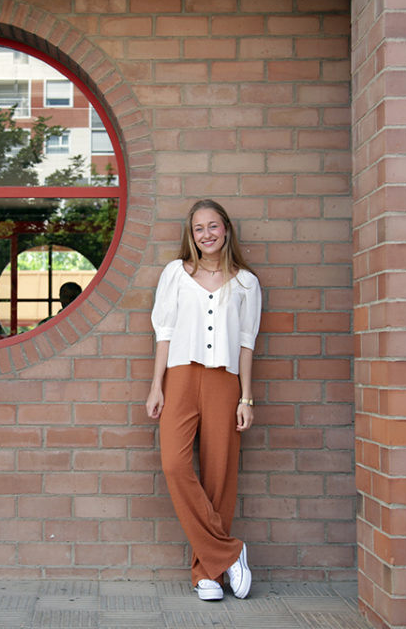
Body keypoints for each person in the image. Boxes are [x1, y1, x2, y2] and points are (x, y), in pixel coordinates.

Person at [146, 199, 262, 601]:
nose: (206, 234)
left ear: (226, 229)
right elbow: (164, 331)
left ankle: (206, 574)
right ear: (190, 234)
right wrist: (156, 385)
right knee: (175, 465)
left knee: (219, 477)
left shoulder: (246, 282)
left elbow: (247, 344)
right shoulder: (175, 274)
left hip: (224, 383)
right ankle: (231, 552)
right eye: (199, 228)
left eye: (213, 226)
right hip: (180, 377)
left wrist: (246, 398)